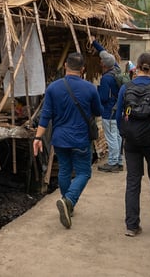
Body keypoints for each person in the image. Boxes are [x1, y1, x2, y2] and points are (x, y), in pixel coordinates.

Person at [33, 52, 102, 229]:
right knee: (84, 173)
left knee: (64, 169)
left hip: (60, 139)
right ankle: (69, 200)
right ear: (83, 69)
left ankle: (67, 204)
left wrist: (38, 137)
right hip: (81, 139)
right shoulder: (90, 88)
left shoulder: (53, 88)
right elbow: (99, 111)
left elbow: (45, 115)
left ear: (65, 66)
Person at [116, 53, 150, 237]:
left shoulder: (125, 88)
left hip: (131, 142)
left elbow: (118, 117)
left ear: (137, 67)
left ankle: (132, 226)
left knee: (133, 182)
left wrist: (126, 133)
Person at [91, 38, 123, 173]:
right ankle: (119, 161)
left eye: (101, 61)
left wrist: (95, 94)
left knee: (111, 138)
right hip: (118, 110)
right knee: (117, 136)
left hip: (109, 112)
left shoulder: (106, 79)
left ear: (104, 64)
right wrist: (94, 43)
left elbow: (103, 98)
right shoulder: (117, 69)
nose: (100, 61)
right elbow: (105, 53)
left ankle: (113, 163)